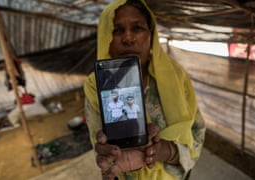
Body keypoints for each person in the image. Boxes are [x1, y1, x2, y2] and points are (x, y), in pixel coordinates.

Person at [83, 0, 206, 179]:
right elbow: (101, 149)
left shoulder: (176, 76)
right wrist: (110, 158)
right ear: (105, 38)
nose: (128, 38)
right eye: (117, 30)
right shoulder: (96, 86)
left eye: (138, 28)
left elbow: (197, 130)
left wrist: (168, 151)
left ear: (151, 35)